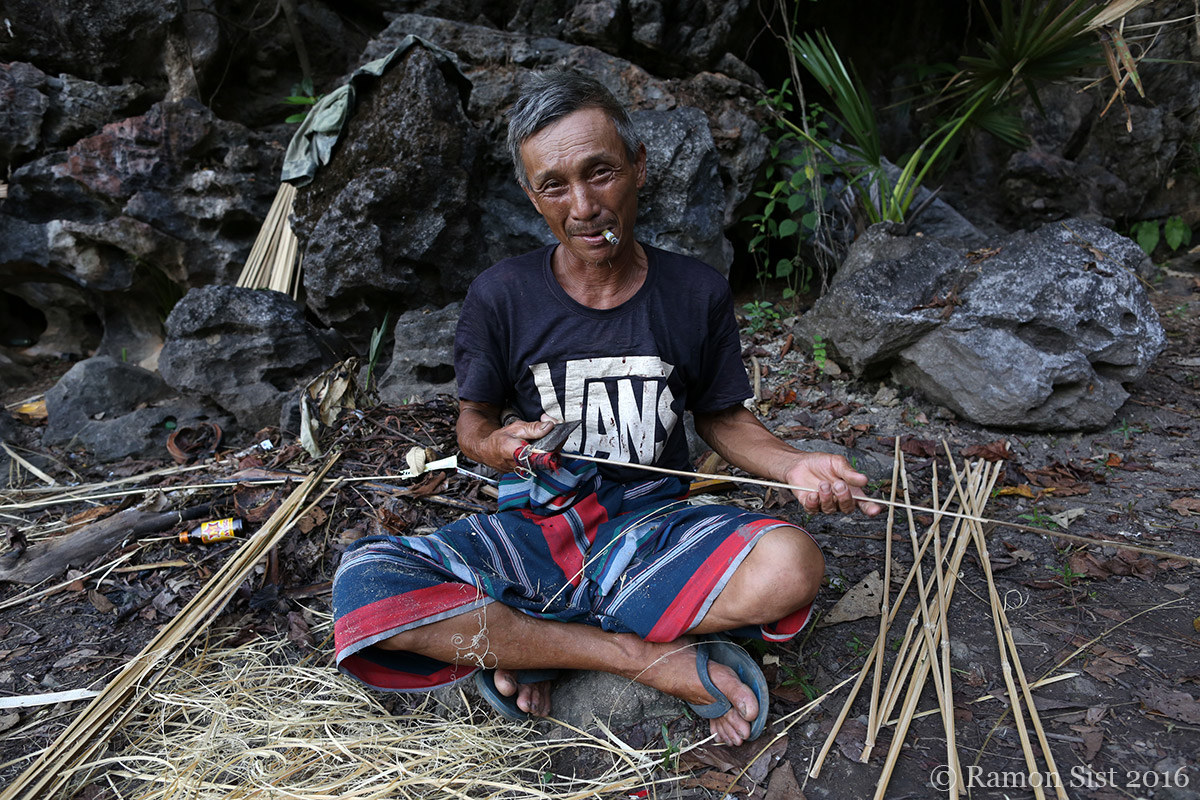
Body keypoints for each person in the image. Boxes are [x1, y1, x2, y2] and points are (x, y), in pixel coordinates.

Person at [332, 71, 881, 746]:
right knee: (364, 584)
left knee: (793, 566)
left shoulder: (695, 292)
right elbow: (472, 425)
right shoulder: (501, 295)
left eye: (601, 172)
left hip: (654, 529)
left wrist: (794, 465)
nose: (584, 205)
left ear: (638, 167)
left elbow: (721, 419)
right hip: (539, 530)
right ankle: (636, 654)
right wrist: (499, 446)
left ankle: (533, 641)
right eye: (555, 185)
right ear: (532, 195)